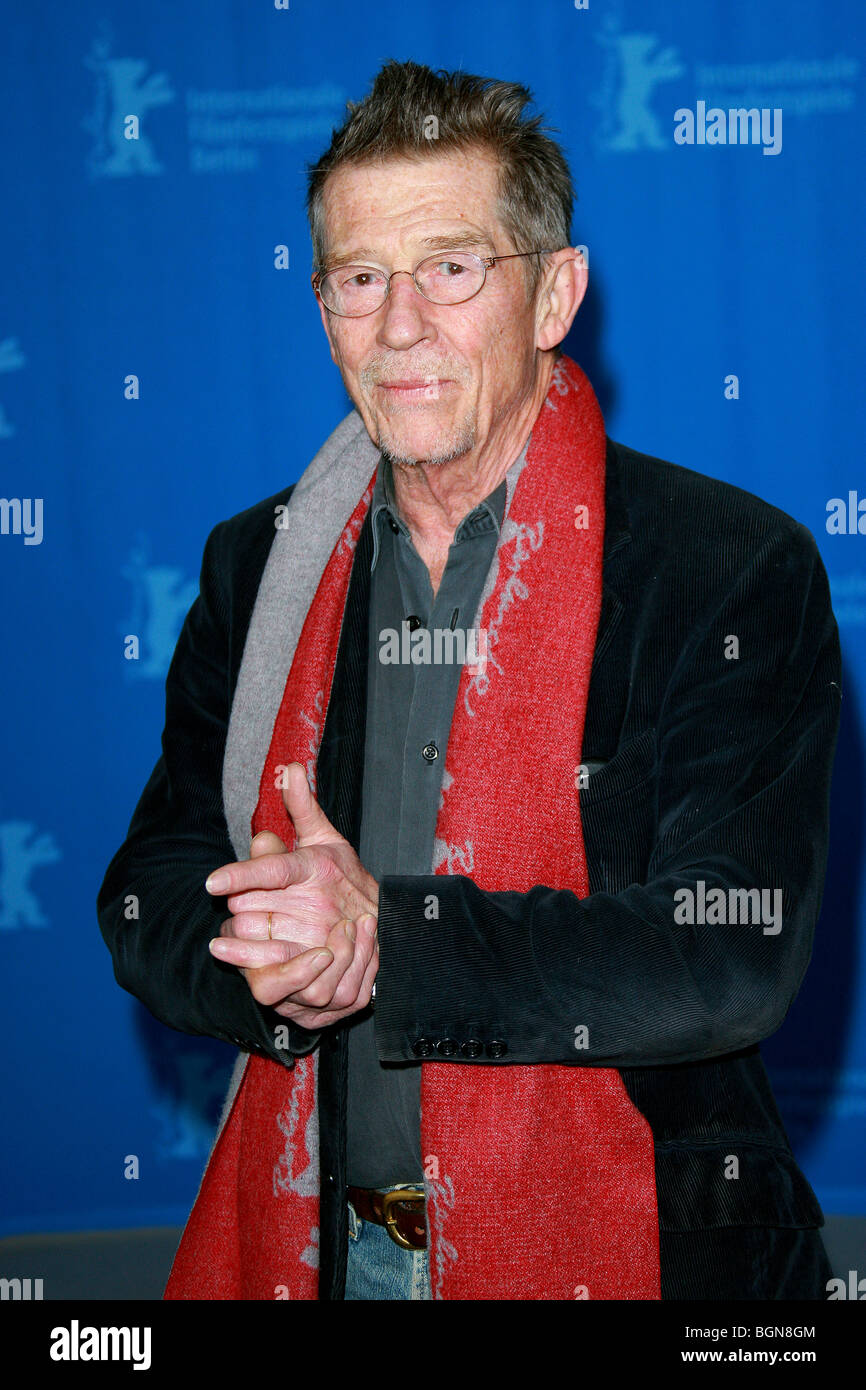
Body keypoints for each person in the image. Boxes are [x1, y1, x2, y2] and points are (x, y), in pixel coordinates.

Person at [98, 59, 842, 1301]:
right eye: (357, 278)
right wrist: (278, 951)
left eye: (449, 268)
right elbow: (147, 891)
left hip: (647, 1250)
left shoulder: (725, 567)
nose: (398, 326)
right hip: (335, 1249)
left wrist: (390, 942)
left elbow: (729, 950)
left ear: (553, 291)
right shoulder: (260, 564)